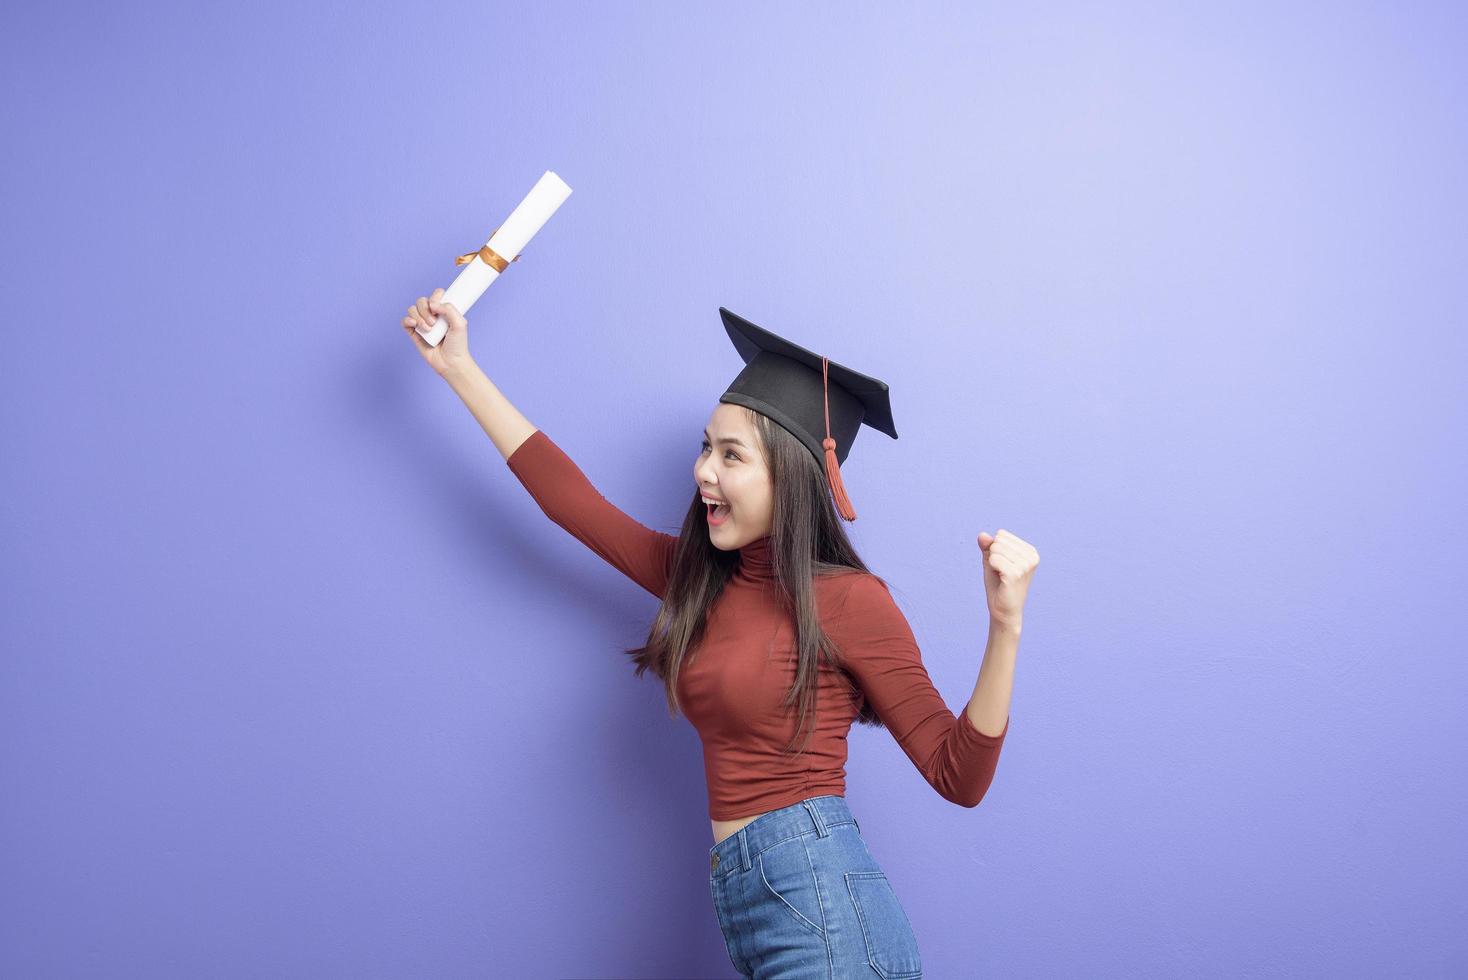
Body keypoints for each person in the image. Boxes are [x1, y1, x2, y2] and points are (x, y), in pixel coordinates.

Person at [401, 290, 1040, 979]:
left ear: (789, 478)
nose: (705, 470)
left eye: (731, 456)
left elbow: (959, 775)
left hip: (821, 904)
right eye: (706, 447)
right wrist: (459, 367)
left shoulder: (851, 602)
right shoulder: (702, 577)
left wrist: (1004, 626)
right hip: (753, 901)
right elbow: (570, 503)